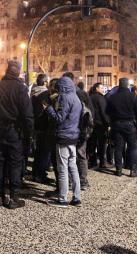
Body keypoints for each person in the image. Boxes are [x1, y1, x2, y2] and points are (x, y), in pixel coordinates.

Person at [0, 60, 33, 208]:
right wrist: (29, 134)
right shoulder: (20, 89)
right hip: (14, 131)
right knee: (15, 163)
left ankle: (0, 196)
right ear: (18, 72)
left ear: (7, 71)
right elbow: (27, 114)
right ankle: (13, 197)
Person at [45, 76, 82, 208]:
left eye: (58, 87)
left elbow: (59, 118)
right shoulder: (76, 98)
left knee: (62, 169)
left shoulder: (64, 98)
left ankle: (62, 199)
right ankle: (77, 197)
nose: (57, 89)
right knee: (73, 168)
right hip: (73, 136)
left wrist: (48, 108)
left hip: (63, 136)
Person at [106, 78, 137, 177]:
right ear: (127, 85)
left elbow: (108, 111)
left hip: (116, 124)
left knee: (118, 147)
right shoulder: (133, 96)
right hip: (129, 124)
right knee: (132, 147)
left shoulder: (113, 97)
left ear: (119, 84)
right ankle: (133, 170)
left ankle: (118, 169)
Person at [63, 72, 94, 190]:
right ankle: (83, 181)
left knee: (68, 156)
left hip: (69, 130)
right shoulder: (82, 93)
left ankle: (70, 181)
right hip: (81, 129)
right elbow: (91, 113)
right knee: (81, 155)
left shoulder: (65, 95)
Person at [31, 73, 52, 183]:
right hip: (44, 125)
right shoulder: (45, 94)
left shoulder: (33, 92)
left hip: (36, 125)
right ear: (45, 82)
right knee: (44, 151)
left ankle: (36, 172)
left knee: (38, 150)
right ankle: (40, 174)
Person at [88, 83, 111, 169]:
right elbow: (103, 112)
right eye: (101, 88)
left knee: (92, 143)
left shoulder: (90, 97)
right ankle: (102, 162)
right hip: (100, 124)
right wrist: (108, 123)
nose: (103, 89)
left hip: (92, 123)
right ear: (97, 88)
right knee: (102, 144)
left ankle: (92, 161)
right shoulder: (100, 98)